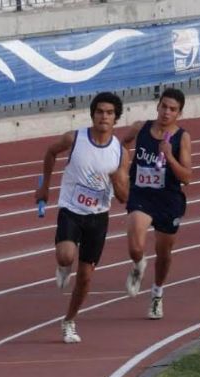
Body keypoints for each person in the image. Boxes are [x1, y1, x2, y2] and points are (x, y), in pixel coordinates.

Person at [35, 92, 130, 344]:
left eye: (109, 113)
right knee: (65, 255)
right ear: (92, 114)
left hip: (98, 217)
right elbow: (50, 152)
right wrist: (44, 186)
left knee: (86, 276)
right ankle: (64, 267)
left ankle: (68, 321)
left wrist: (116, 180)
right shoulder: (75, 138)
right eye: (100, 111)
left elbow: (123, 197)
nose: (104, 117)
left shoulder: (120, 153)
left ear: (116, 119)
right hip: (71, 209)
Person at [122, 88, 193, 319]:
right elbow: (122, 146)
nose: (166, 112)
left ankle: (157, 294)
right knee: (135, 247)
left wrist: (169, 156)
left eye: (172, 109)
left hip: (168, 199)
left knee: (164, 252)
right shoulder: (140, 128)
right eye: (164, 106)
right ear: (157, 106)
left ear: (179, 114)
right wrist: (122, 170)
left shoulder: (182, 138)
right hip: (141, 195)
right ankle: (138, 265)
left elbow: (186, 177)